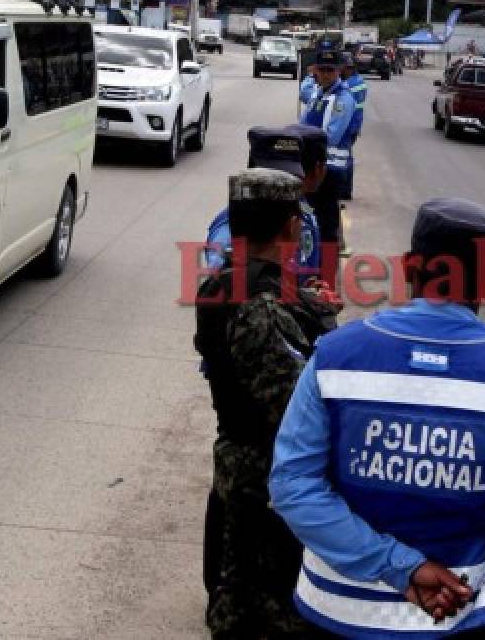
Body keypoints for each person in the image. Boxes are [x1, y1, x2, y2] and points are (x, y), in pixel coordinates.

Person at [270, 197, 485, 639]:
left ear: (410, 266)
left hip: (333, 616)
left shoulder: (335, 360)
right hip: (455, 622)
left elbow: (292, 487)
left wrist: (400, 567)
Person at [196, 168, 340, 639]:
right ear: (291, 228)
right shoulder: (260, 306)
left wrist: (309, 309)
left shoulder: (232, 280)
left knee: (235, 596)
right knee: (262, 612)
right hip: (266, 487)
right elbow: (297, 412)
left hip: (242, 473)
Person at [204, 125, 328, 286]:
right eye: (277, 178)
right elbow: (230, 289)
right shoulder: (232, 226)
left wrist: (307, 296)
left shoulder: (301, 213)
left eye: (294, 177)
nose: (287, 186)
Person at [299, 46, 356, 286]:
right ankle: (310, 269)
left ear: (339, 71)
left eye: (330, 70)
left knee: (327, 226)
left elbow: (330, 136)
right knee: (308, 221)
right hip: (312, 168)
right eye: (321, 69)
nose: (325, 74)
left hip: (329, 170)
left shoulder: (343, 99)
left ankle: (327, 281)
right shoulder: (319, 93)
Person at [338, 52, 367, 201]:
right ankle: (345, 189)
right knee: (346, 156)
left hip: (349, 125)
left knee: (345, 157)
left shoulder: (350, 84)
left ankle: (344, 190)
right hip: (354, 124)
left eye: (340, 67)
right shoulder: (359, 81)